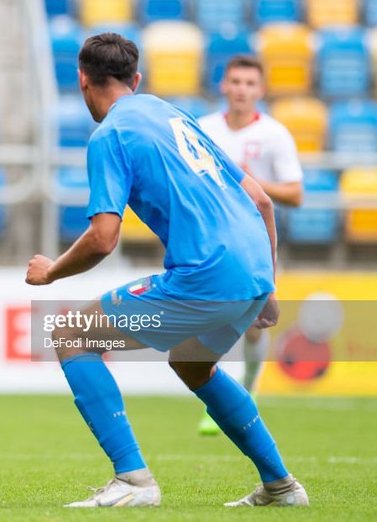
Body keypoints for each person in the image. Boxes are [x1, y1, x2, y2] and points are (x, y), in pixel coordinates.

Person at [25, 33, 308, 508]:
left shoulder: (110, 135)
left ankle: (134, 481)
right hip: (254, 266)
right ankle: (281, 486)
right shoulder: (172, 114)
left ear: (82, 80)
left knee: (72, 334)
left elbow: (103, 238)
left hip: (207, 273)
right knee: (192, 362)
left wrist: (51, 272)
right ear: (135, 80)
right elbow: (260, 199)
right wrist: (268, 284)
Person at [196, 55, 304, 436]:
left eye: (249, 83)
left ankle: (247, 387)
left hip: (256, 242)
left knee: (255, 327)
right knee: (209, 322)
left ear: (260, 90)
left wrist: (253, 183)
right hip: (208, 240)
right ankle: (222, 401)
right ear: (223, 86)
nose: (241, 89)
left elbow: (295, 193)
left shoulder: (274, 134)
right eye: (235, 82)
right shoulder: (204, 129)